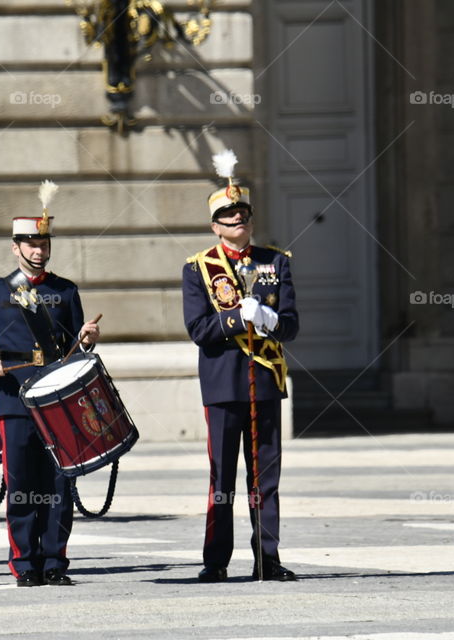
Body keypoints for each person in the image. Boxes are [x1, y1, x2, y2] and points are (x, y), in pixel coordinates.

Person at [0, 181, 100, 587]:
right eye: (30, 244)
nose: (39, 250)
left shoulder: (65, 291)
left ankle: (55, 561)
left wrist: (84, 340)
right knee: (21, 484)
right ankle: (24, 563)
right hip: (13, 395)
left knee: (58, 482)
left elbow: (73, 351)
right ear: (15, 247)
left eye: (44, 243)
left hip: (58, 398)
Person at [182, 150, 299, 582]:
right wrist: (236, 317)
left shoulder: (275, 262)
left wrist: (268, 320)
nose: (237, 222)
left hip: (264, 382)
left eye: (243, 214)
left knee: (265, 479)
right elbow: (198, 328)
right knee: (222, 481)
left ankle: (267, 557)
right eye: (228, 217)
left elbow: (290, 325)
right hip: (222, 386)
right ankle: (215, 561)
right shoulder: (198, 268)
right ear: (215, 225)